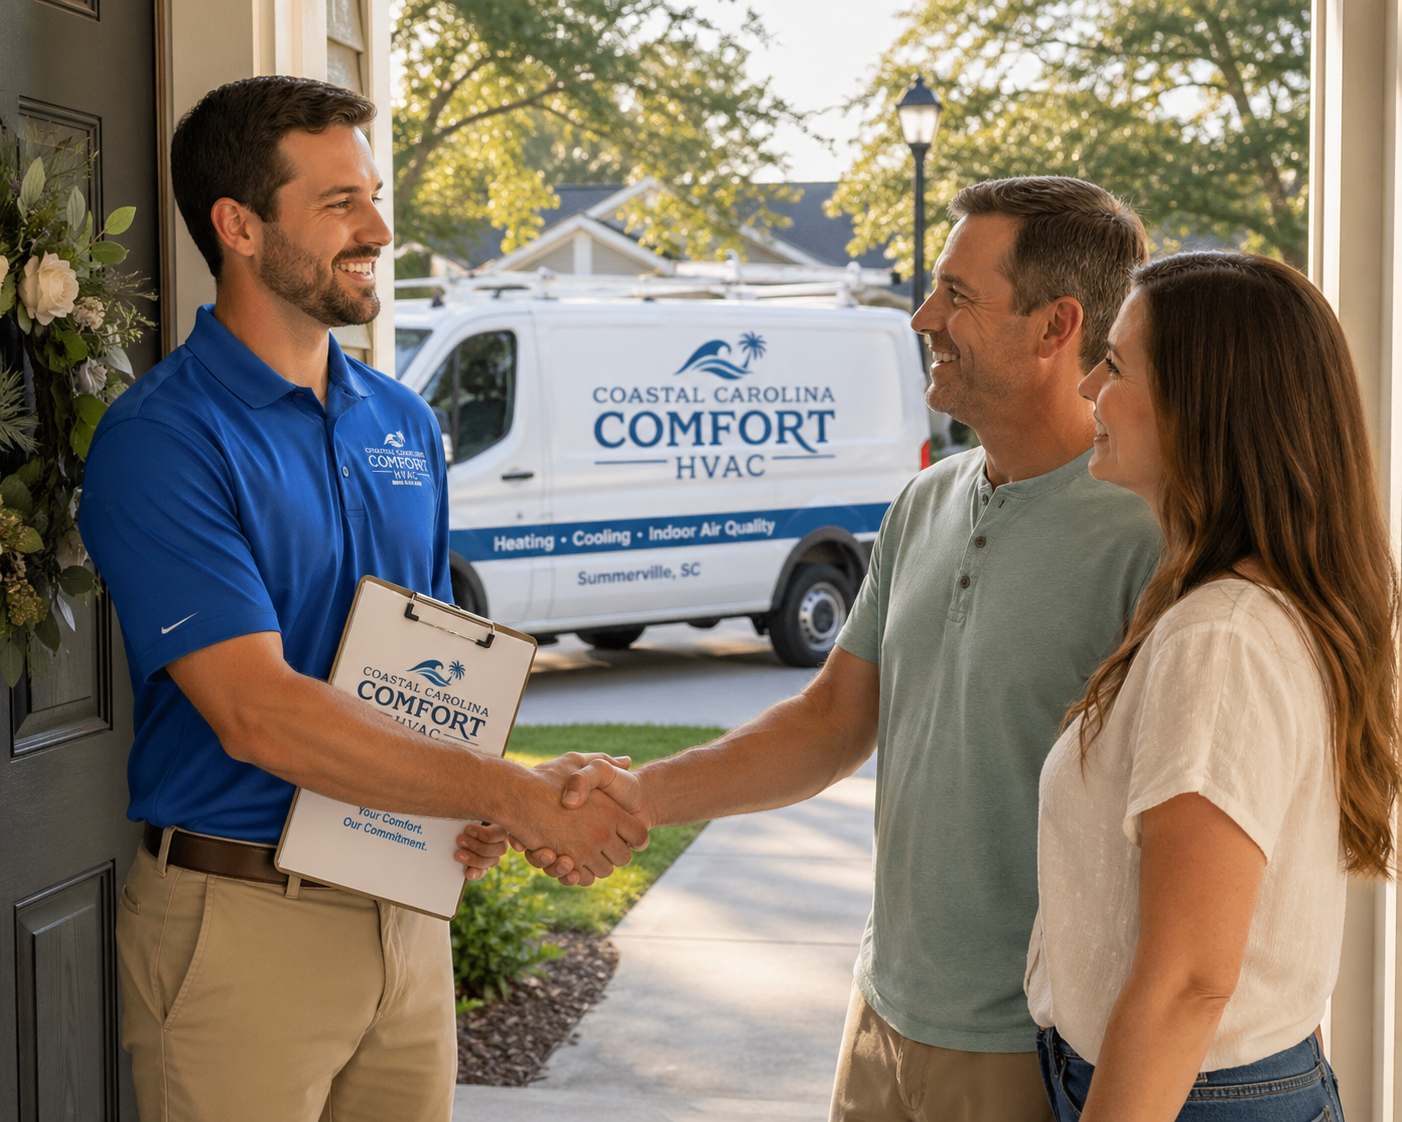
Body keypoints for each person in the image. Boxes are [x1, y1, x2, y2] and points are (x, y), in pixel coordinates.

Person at [495, 177, 1165, 1121]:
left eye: (959, 297)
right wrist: (638, 798)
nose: (924, 316)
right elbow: (829, 723)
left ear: (1058, 327)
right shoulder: (925, 502)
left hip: (1032, 1049)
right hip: (884, 1018)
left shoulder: (1149, 533)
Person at [78, 76, 645, 1122]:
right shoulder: (164, 440)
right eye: (339, 203)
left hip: (406, 920)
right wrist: (513, 793)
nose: (379, 228)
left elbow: (421, 669)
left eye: (372, 196)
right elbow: (260, 713)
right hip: (244, 931)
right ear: (238, 226)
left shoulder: (399, 419)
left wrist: (471, 800)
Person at [1026, 251, 1399, 1120]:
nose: (1087, 389)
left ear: (1202, 406)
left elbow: (1190, 980)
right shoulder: (1231, 609)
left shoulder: (1221, 638)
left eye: (1114, 363)